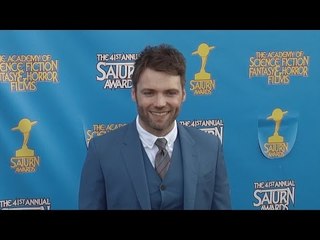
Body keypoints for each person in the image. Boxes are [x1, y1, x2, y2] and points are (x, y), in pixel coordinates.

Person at [79, 44, 231, 210]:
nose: (160, 103)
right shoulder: (101, 151)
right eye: (149, 93)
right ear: (134, 93)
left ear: (184, 94)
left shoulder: (210, 148)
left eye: (170, 93)